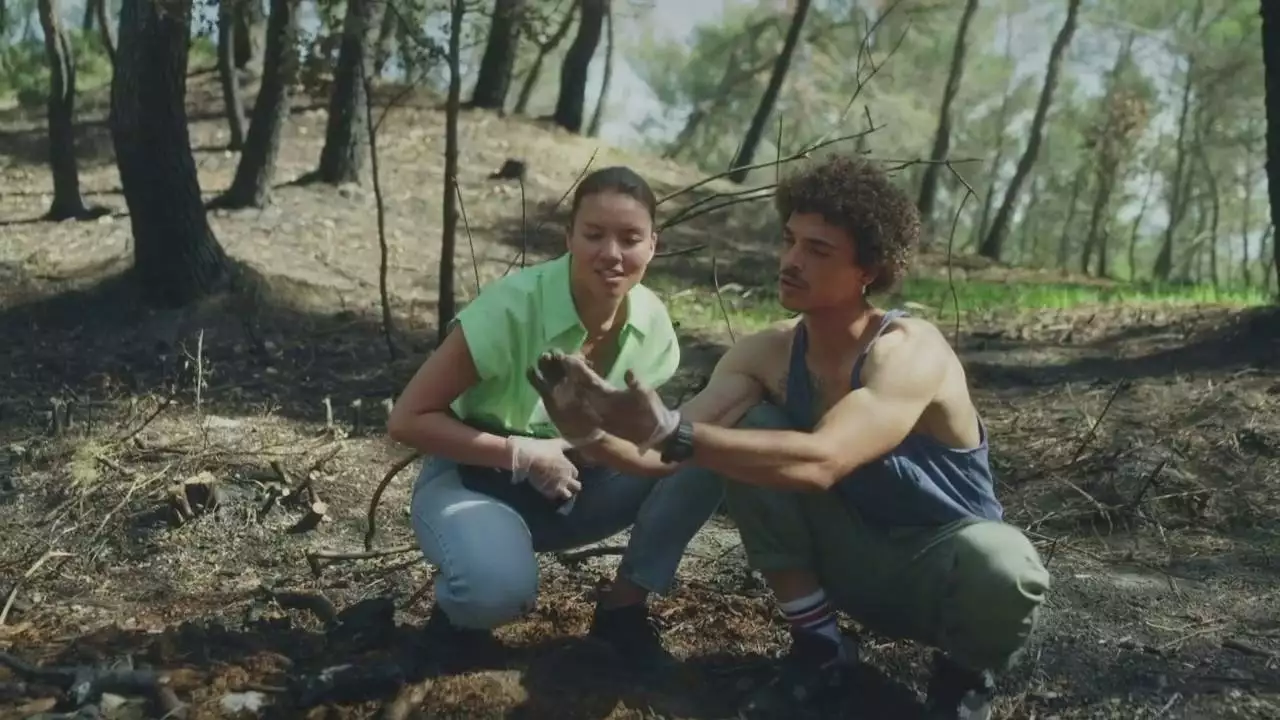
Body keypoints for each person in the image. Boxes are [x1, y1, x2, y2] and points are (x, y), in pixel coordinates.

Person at [526, 154, 1052, 720]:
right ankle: (821, 650)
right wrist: (585, 428)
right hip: (842, 558)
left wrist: (668, 429)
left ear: (868, 270)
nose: (791, 262)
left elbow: (822, 460)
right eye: (789, 241)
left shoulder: (910, 350)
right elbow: (662, 457)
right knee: (737, 431)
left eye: (818, 251)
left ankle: (961, 684)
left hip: (936, 575)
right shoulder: (765, 353)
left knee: (1007, 566)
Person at [386, 166, 723, 674]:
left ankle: (623, 611)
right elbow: (407, 420)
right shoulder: (512, 308)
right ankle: (457, 620)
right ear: (569, 238)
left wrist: (584, 449)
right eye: (594, 235)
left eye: (630, 238)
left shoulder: (652, 322)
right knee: (491, 592)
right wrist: (522, 452)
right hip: (478, 481)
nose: (611, 253)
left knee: (704, 453)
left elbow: (633, 437)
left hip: (584, 484)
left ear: (653, 245)